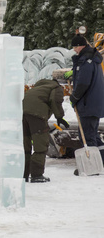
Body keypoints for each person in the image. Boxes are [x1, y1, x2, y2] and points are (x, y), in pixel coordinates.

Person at [64, 34, 104, 175]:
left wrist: (74, 97)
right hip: (94, 103)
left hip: (88, 104)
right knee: (93, 135)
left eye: (75, 47)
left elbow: (83, 83)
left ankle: (91, 167)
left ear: (81, 45)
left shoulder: (86, 60)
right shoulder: (92, 59)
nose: (74, 50)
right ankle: (101, 163)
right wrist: (73, 73)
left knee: (87, 136)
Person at [23, 78, 69, 183]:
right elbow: (55, 100)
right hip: (37, 115)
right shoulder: (55, 87)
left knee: (25, 146)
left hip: (22, 115)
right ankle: (36, 175)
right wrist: (59, 117)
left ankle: (23, 174)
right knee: (41, 145)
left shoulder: (36, 88)